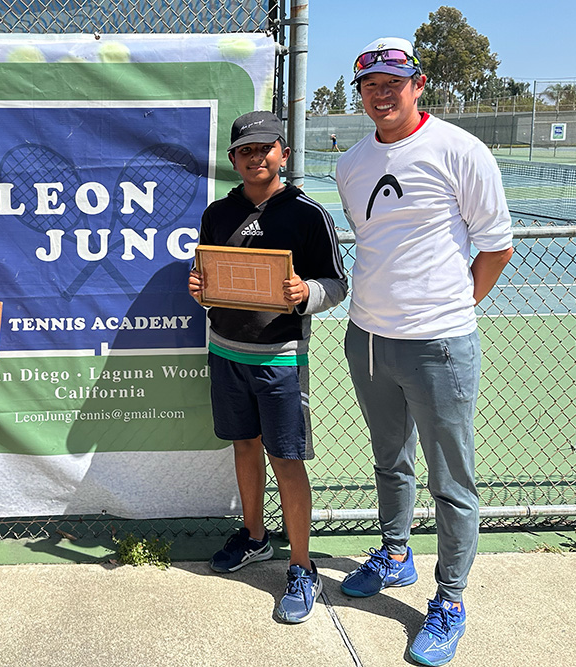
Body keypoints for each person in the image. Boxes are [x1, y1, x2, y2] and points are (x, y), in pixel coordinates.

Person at [336, 37, 513, 666]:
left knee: (451, 480)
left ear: (419, 83)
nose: (381, 94)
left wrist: (454, 309)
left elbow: (495, 247)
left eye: (393, 82)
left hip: (439, 342)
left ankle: (452, 599)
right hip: (369, 338)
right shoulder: (351, 164)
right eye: (370, 85)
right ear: (360, 93)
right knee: (390, 460)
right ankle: (396, 552)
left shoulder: (461, 151)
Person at [189, 111, 347, 624]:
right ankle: (255, 537)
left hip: (281, 360)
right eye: (245, 151)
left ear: (282, 151)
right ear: (233, 158)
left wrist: (307, 294)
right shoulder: (217, 212)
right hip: (226, 352)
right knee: (244, 447)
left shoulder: (307, 213)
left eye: (265, 148)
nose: (256, 158)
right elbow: (206, 273)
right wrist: (199, 288)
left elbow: (336, 284)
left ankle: (302, 566)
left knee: (287, 460)